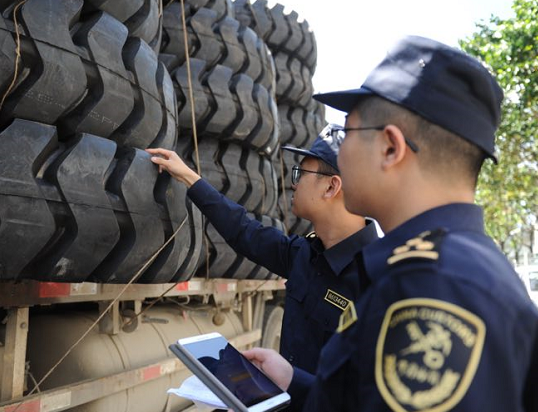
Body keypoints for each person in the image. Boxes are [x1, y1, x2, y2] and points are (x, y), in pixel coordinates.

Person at [243, 35, 538, 411]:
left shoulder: (434, 287)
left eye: (345, 134)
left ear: (390, 148)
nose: (341, 152)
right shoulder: (450, 268)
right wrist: (293, 382)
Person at [147, 135, 378, 380]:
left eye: (301, 173)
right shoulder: (305, 254)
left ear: (331, 187)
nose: (293, 184)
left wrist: (290, 382)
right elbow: (244, 231)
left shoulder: (379, 279)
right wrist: (188, 177)